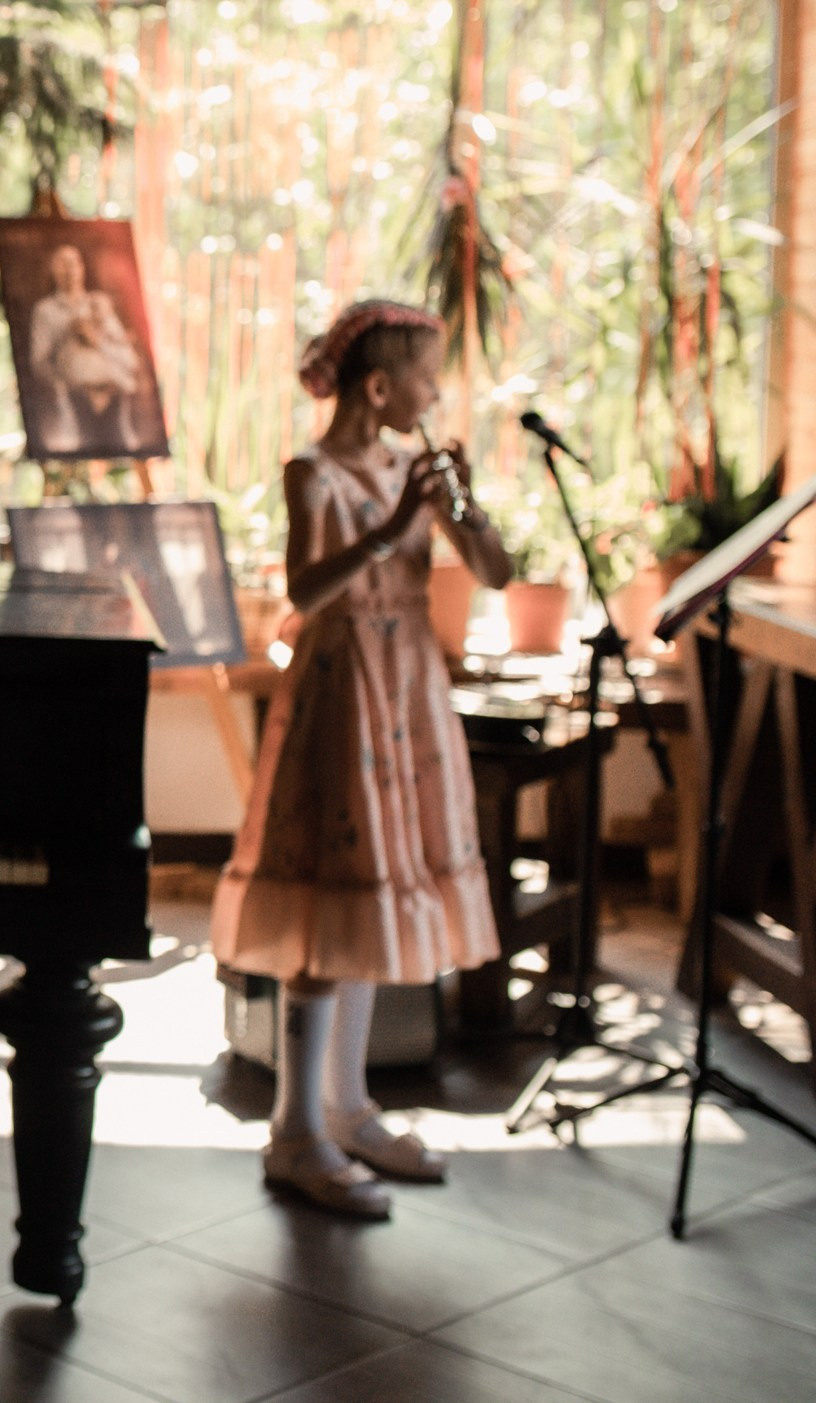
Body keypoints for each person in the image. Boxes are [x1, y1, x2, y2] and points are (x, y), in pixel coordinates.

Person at [211, 301, 512, 1218]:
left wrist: (459, 506)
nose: (435, 395)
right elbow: (305, 588)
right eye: (426, 378)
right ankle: (294, 1131)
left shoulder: (413, 470)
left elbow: (496, 572)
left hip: (408, 692)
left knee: (382, 891)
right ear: (378, 387)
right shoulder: (314, 472)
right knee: (334, 892)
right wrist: (392, 527)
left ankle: (347, 1106)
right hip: (345, 694)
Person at [25, 242, 148, 453]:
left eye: (73, 263)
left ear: (82, 267)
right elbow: (40, 364)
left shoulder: (99, 305)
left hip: (114, 401)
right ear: (52, 269)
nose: (69, 270)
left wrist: (96, 340)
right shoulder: (45, 312)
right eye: (62, 264)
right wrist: (77, 388)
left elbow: (129, 359)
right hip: (73, 405)